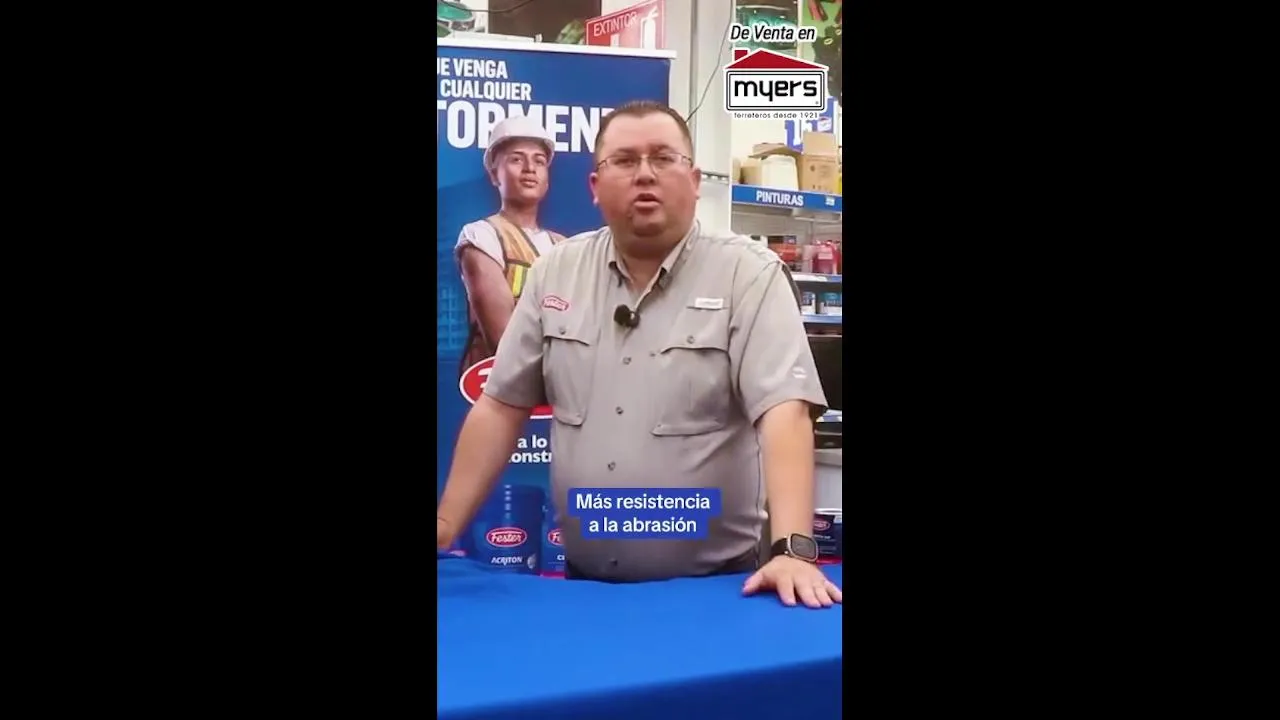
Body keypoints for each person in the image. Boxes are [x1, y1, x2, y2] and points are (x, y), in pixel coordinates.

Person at [437, 101, 841, 610]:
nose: (645, 173)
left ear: (694, 180)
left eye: (663, 158)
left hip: (718, 592)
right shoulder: (555, 272)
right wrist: (444, 525)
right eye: (625, 160)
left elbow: (784, 410)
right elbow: (500, 406)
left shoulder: (748, 275)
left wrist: (794, 551)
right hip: (585, 591)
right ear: (594, 186)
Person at [455, 116, 567, 376]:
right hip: (495, 386)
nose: (530, 168)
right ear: (494, 175)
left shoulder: (563, 246)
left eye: (539, 161)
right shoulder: (481, 236)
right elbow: (503, 340)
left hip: (555, 385)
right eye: (516, 159)